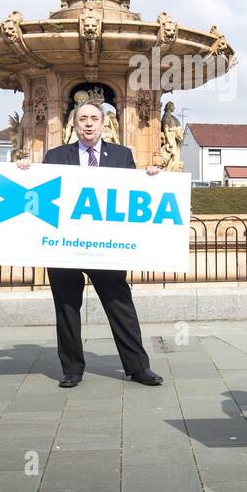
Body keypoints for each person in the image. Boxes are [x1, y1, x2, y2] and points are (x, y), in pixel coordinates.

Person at [16, 100, 165, 389]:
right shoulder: (56, 155)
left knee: (120, 305)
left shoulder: (122, 156)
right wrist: (24, 170)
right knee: (67, 307)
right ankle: (71, 368)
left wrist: (151, 179)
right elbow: (40, 190)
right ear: (74, 123)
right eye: (82, 118)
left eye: (94, 118)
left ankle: (137, 367)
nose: (88, 123)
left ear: (103, 123)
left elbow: (134, 196)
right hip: (65, 247)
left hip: (106, 248)